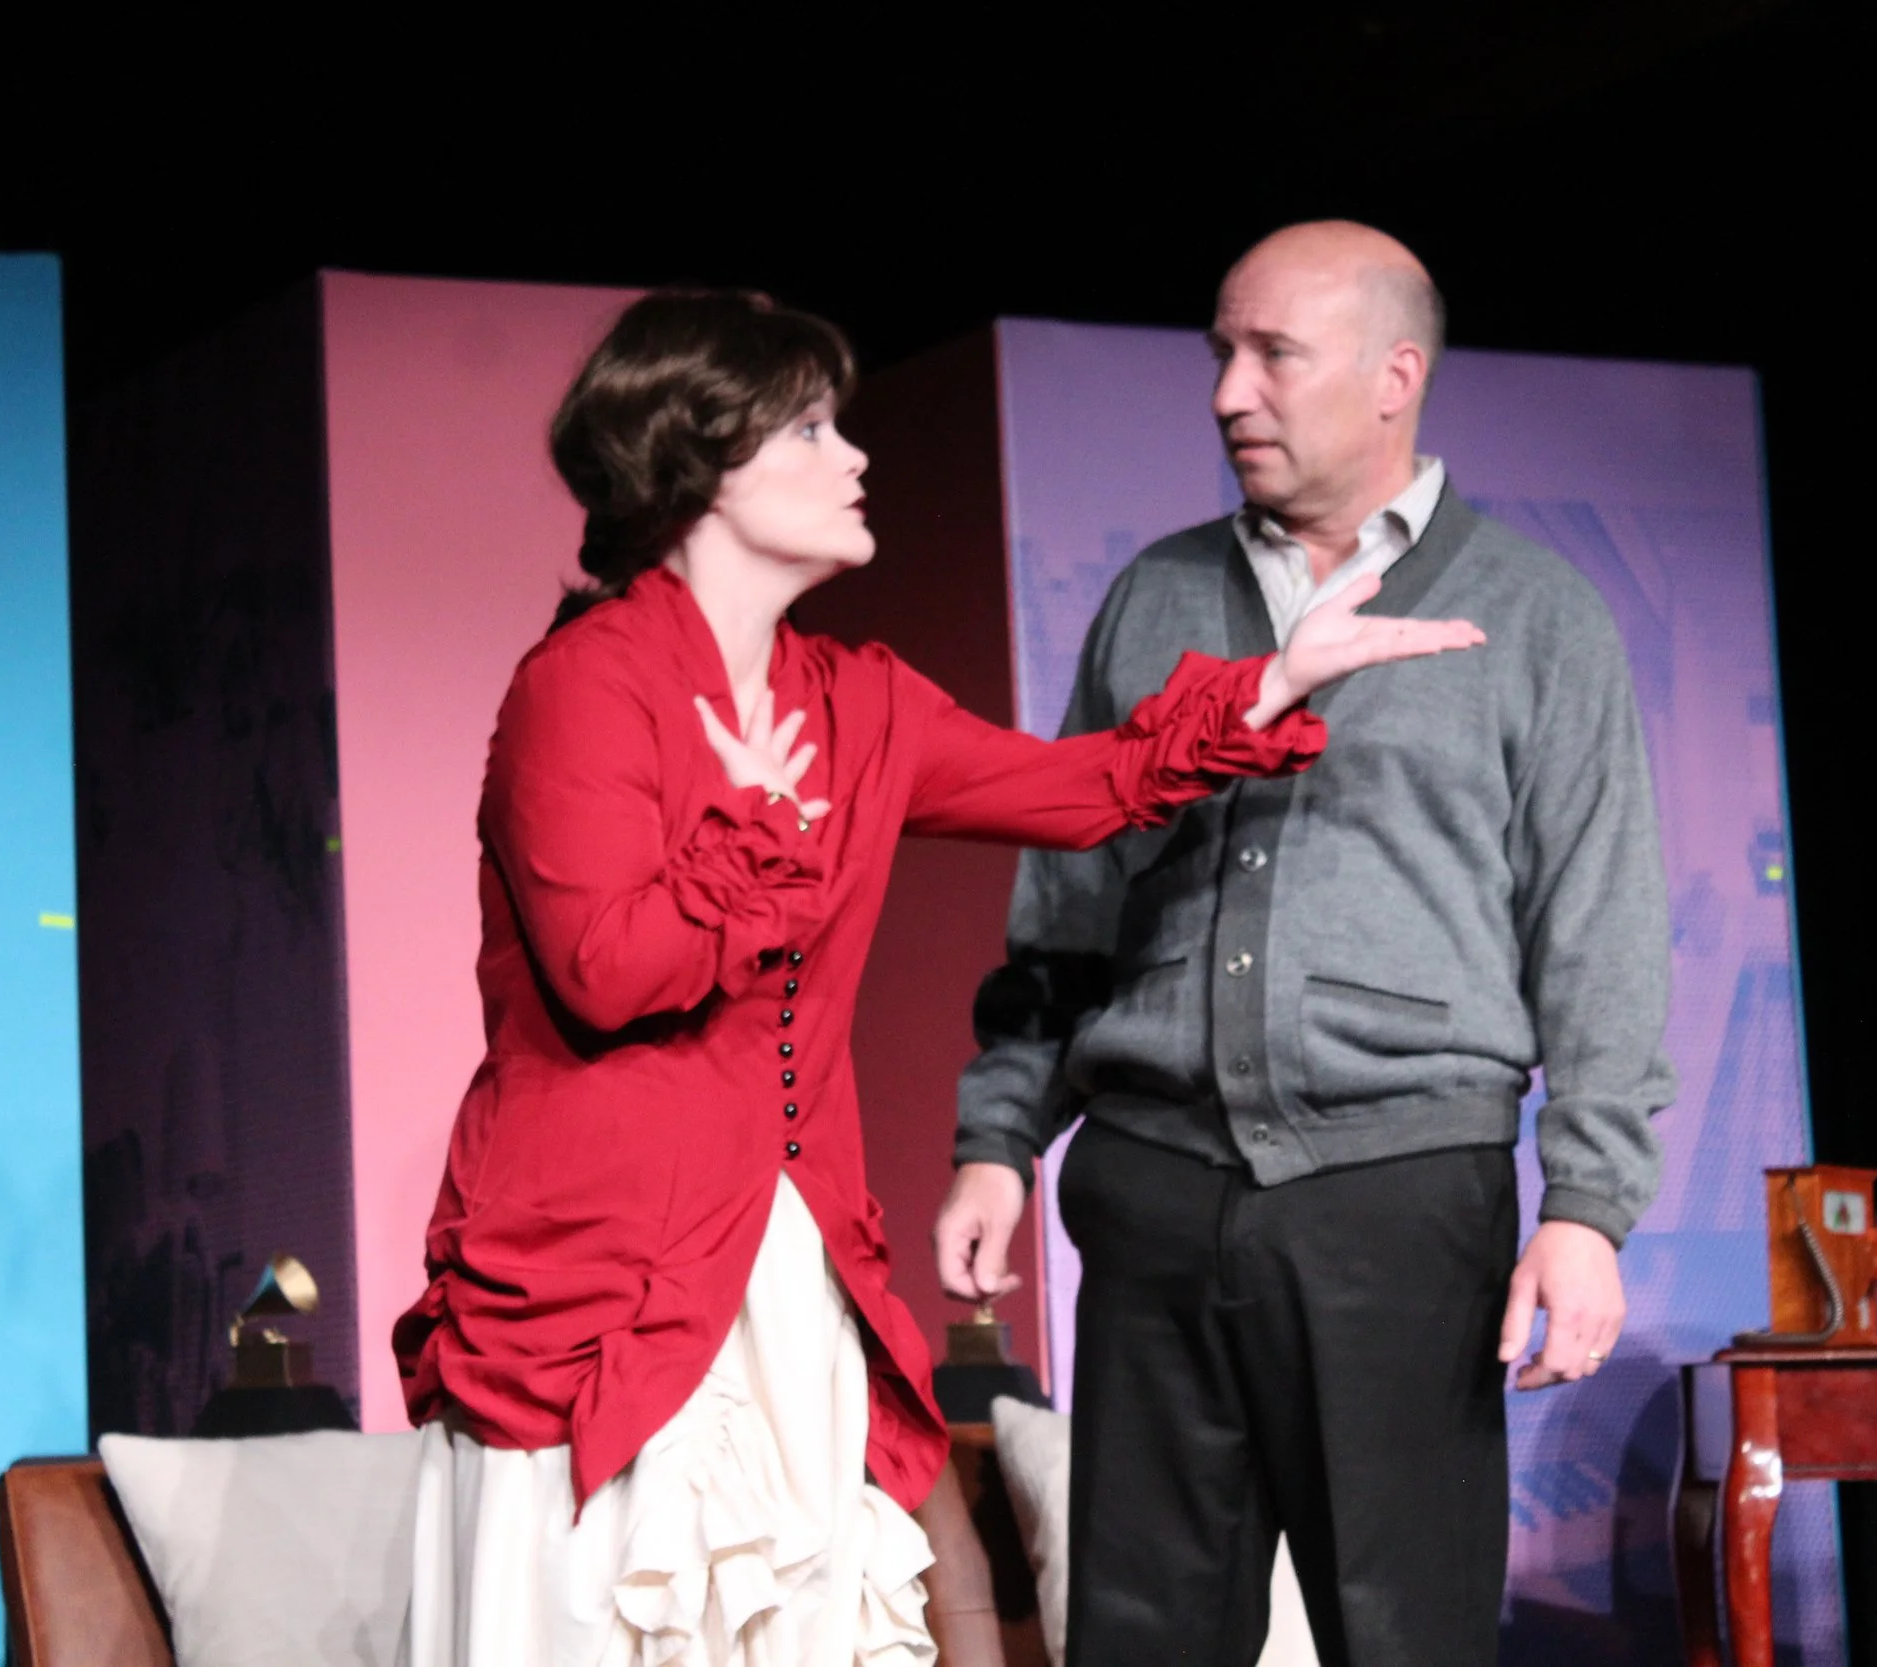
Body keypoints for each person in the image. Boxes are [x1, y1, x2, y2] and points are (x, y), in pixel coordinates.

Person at [390, 288, 1486, 1667]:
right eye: (809, 428)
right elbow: (609, 973)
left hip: (784, 1261)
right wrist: (756, 832)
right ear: (699, 460)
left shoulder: (854, 698)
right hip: (604, 1279)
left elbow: (1083, 788)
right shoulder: (587, 684)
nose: (854, 456)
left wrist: (1274, 682)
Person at [935, 221, 1677, 1665]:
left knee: (1405, 1637)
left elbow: (1599, 924)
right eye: (1223, 352)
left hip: (1399, 1204)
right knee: (1142, 1643)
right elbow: (1071, 900)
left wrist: (1587, 1206)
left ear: (1396, 375)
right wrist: (999, 1135)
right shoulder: (1158, 595)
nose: (1230, 391)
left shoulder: (1537, 615)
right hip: (1154, 1191)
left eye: (1274, 353)